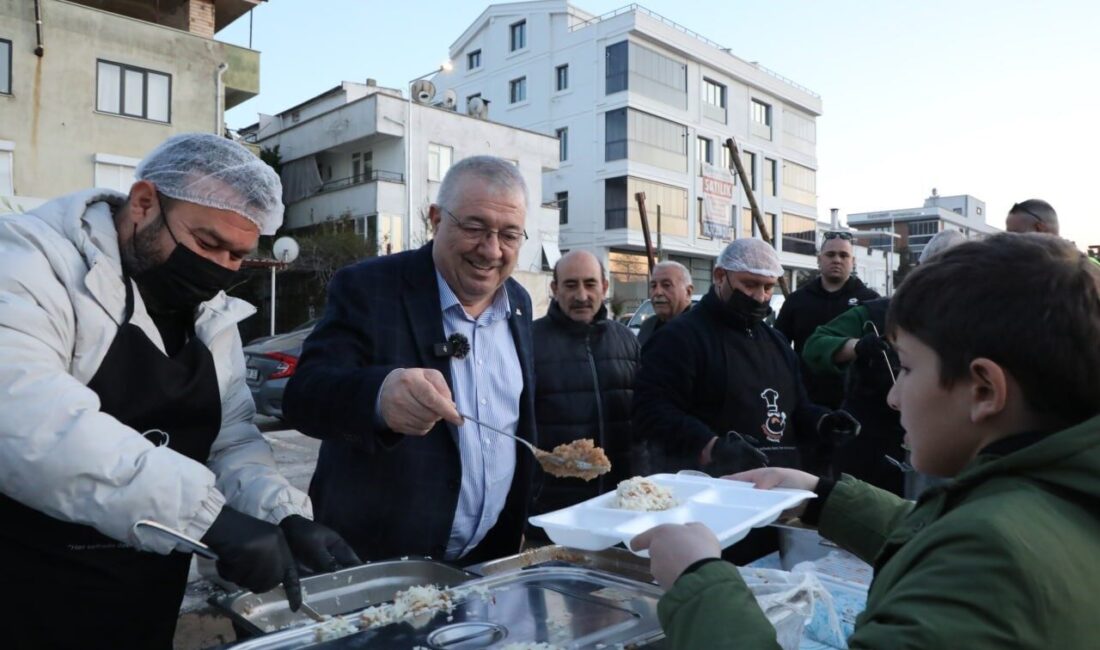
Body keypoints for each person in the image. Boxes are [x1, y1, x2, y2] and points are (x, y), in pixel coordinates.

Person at [632, 233, 1100, 649]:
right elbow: (939, 528)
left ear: (984, 391)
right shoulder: (1047, 499)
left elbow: (966, 546)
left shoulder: (987, 564)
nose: (894, 397)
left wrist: (699, 585)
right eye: (748, 285)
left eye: (909, 368)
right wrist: (818, 497)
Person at [0, 133, 359, 649]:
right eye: (208, 243)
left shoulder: (213, 319)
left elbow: (230, 441)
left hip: (144, 593)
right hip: (26, 589)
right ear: (144, 203)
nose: (219, 269)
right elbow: (31, 424)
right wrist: (207, 518)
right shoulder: (32, 262)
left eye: (237, 256)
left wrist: (281, 514)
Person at [283, 155, 536, 564]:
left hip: (487, 559)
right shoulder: (368, 287)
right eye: (475, 227)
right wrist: (379, 398)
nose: (492, 250)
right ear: (435, 219)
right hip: (376, 564)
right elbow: (304, 397)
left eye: (510, 235)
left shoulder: (520, 303)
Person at [633, 238, 859, 479]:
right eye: (750, 284)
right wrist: (712, 447)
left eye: (768, 287)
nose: (760, 297)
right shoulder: (679, 338)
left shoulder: (776, 342)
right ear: (720, 276)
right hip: (707, 490)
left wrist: (822, 421)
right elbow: (651, 409)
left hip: (775, 486)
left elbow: (795, 406)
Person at [801, 230, 965, 495]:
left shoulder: (967, 322)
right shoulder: (878, 311)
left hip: (929, 442)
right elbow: (815, 345)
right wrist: (857, 346)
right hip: (869, 439)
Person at [531, 250, 640, 517]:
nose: (581, 296)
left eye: (590, 284)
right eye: (570, 285)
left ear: (604, 287)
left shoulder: (627, 340)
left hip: (620, 501)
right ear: (555, 289)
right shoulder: (529, 341)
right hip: (552, 506)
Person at [774, 231, 880, 409]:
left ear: (852, 262)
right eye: (830, 254)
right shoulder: (797, 301)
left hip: (857, 402)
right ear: (819, 259)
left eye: (844, 255)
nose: (837, 260)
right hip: (805, 401)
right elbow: (778, 349)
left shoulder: (870, 301)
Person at [637, 261, 694, 347]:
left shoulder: (701, 329)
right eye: (653, 286)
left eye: (666, 285)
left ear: (688, 292)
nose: (658, 292)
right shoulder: (647, 326)